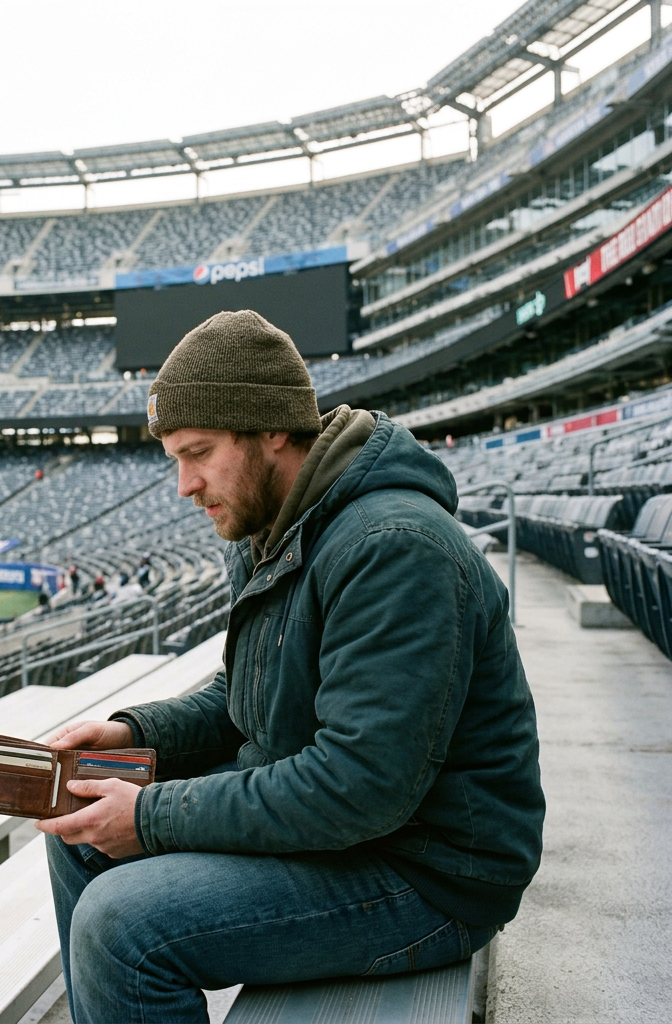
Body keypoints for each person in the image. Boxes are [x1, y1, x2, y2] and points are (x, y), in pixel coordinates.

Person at [36, 310, 545, 1023]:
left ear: (272, 428)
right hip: (351, 830)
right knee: (81, 831)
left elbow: (360, 786)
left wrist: (151, 813)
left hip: (427, 870)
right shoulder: (274, 525)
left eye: (200, 452)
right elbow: (244, 699)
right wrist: (130, 735)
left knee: (121, 927)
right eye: (175, 459)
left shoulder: (394, 547)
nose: (184, 484)